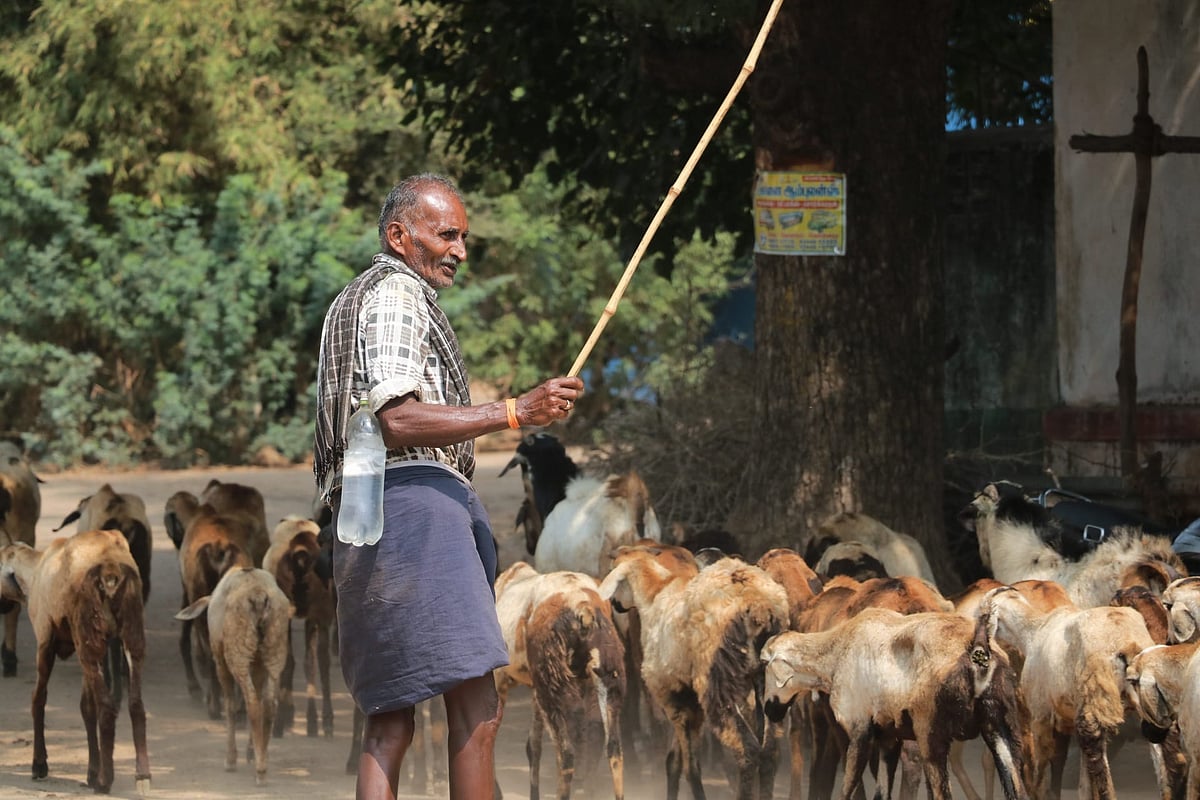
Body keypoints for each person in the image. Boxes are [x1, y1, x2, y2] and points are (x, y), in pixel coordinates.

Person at [313, 173, 583, 800]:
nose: (460, 250)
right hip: (414, 513)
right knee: (476, 710)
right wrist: (516, 410)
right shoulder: (394, 297)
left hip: (360, 516)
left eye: (464, 236)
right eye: (447, 235)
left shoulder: (350, 302)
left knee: (389, 718)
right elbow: (398, 419)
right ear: (399, 236)